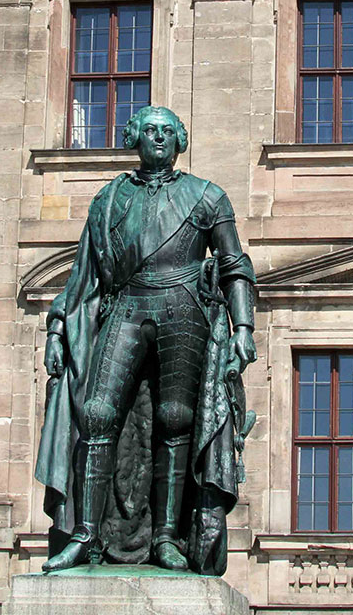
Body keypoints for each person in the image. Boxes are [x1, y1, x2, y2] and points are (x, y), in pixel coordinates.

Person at [35, 106, 258, 574]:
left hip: (184, 308)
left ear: (180, 140)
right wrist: (57, 328)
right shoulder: (108, 200)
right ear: (134, 138)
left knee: (175, 419)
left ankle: (165, 538)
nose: (159, 139)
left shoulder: (207, 197)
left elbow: (236, 265)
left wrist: (243, 328)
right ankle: (85, 536)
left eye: (167, 132)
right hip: (128, 303)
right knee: (97, 413)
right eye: (150, 131)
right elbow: (82, 277)